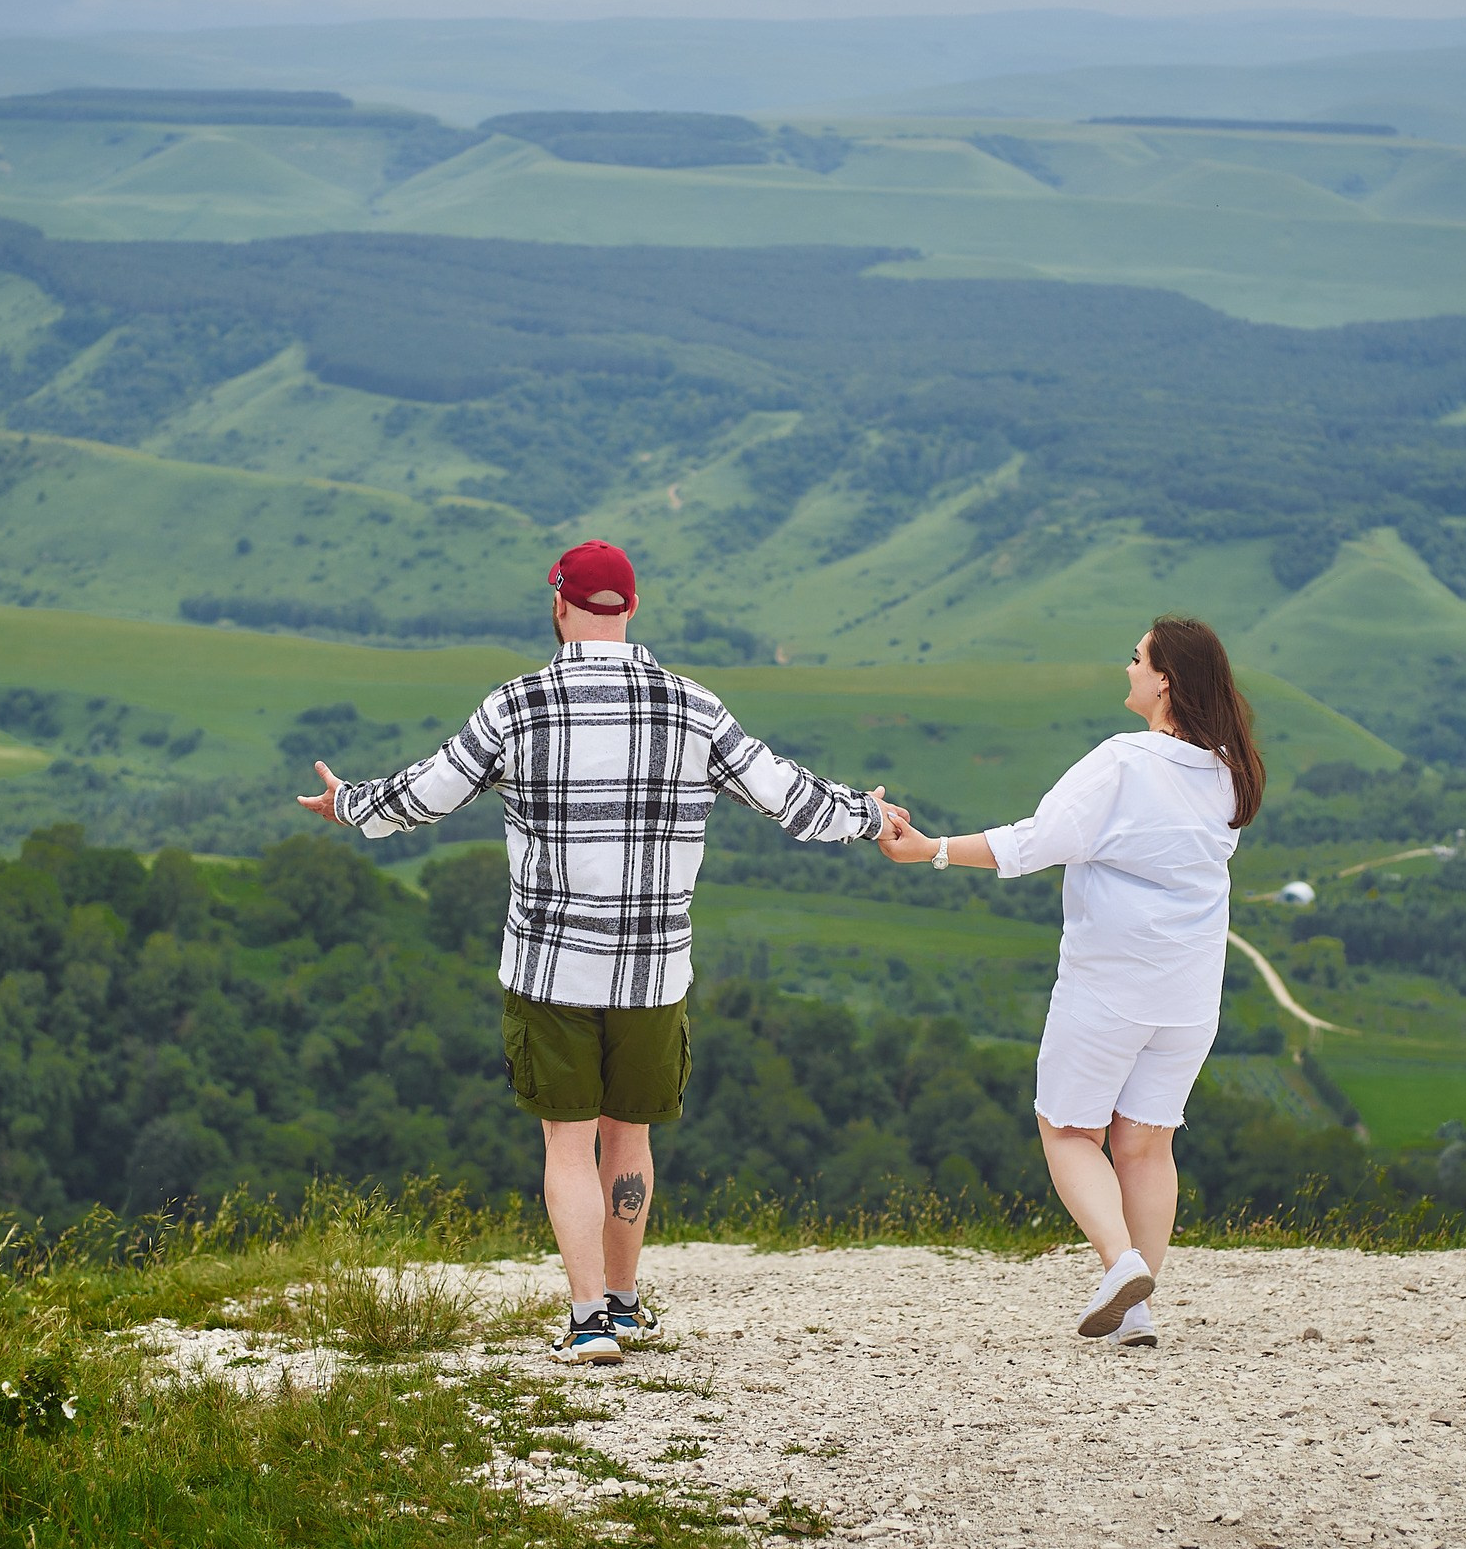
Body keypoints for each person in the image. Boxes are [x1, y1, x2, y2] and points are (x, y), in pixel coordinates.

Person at [299, 540, 902, 1365]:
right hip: (655, 969)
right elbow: (786, 795)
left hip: (550, 966)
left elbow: (428, 793)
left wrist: (349, 804)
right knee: (631, 1138)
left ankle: (587, 1321)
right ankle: (624, 1302)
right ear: (632, 608)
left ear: (559, 605)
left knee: (566, 1141)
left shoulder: (517, 704)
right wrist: (868, 817)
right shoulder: (692, 707)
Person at [876, 616, 1262, 1345]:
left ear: (1165, 680)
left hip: (1110, 984)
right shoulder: (1227, 771)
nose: (1128, 669)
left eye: (1137, 658)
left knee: (1067, 1128)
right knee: (1147, 1145)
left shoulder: (1124, 761)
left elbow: (1037, 839)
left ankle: (1121, 1267)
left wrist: (932, 850)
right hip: (1189, 995)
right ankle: (1136, 1308)